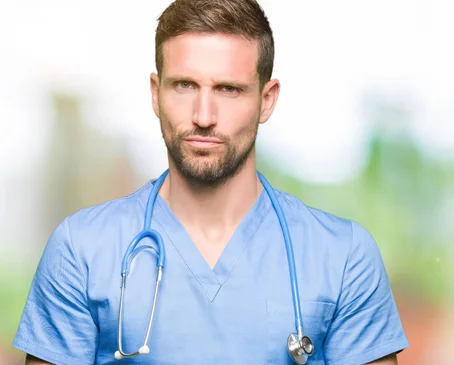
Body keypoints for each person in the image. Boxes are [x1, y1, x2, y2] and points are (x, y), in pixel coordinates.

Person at [13, 0, 409, 364]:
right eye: (185, 85)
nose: (204, 115)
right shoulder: (80, 252)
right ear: (156, 93)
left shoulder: (342, 258)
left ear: (266, 100)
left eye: (228, 89)